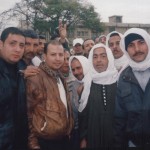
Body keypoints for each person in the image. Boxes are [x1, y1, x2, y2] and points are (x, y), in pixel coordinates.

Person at [26, 40, 74, 150]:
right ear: (44, 56)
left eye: (60, 55)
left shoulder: (60, 76)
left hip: (64, 139)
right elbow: (27, 113)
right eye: (53, 54)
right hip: (45, 142)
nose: (58, 58)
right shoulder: (35, 77)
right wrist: (33, 143)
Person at [114, 28, 150, 149]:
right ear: (126, 50)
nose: (137, 49)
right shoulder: (123, 78)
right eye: (131, 45)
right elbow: (119, 120)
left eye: (141, 42)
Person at [79, 43, 118, 149]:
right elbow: (83, 114)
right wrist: (83, 138)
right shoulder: (87, 83)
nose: (98, 60)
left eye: (103, 56)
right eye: (95, 57)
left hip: (116, 137)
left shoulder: (118, 80)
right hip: (93, 137)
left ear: (109, 58)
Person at [0, 27, 28, 150]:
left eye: (21, 45)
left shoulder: (23, 69)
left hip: (20, 141)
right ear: (1, 44)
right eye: (12, 44)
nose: (18, 49)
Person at [69, 55, 89, 149]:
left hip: (93, 133)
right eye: (73, 69)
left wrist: (84, 137)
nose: (76, 72)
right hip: (77, 132)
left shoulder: (95, 82)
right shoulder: (73, 85)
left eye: (78, 68)